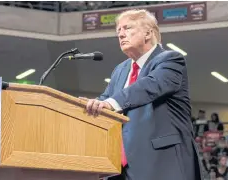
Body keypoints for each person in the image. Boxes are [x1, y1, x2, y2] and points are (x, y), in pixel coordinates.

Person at [81, 9, 202, 180]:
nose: (121, 35)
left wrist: (109, 103)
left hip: (162, 164)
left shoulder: (171, 60)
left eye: (127, 28)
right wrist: (85, 106)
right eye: (118, 31)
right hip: (119, 168)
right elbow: (106, 98)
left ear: (148, 32)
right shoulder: (120, 69)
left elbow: (149, 86)